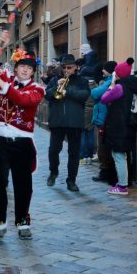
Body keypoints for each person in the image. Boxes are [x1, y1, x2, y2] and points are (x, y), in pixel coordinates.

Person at [0, 31, 45, 240]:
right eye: (22, 67)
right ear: (15, 68)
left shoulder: (37, 89)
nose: (25, 70)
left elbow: (21, 100)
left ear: (33, 72)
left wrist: (0, 81)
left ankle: (23, 222)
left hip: (23, 143)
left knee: (23, 185)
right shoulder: (6, 77)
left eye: (29, 68)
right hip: (0, 141)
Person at [45, 54, 90, 192]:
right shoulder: (55, 79)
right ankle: (53, 172)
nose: (66, 70)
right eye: (64, 67)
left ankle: (71, 180)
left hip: (74, 122)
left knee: (74, 153)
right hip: (57, 121)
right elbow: (47, 95)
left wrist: (68, 91)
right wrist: (55, 88)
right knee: (53, 150)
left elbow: (85, 95)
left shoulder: (82, 81)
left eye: (69, 67)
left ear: (76, 67)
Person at [100, 57, 137, 196]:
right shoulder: (133, 86)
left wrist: (112, 83)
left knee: (118, 155)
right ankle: (122, 183)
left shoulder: (120, 87)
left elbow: (104, 98)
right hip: (128, 126)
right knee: (122, 155)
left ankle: (122, 186)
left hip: (119, 127)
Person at [91, 61, 118, 185]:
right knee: (102, 149)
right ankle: (105, 172)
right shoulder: (108, 81)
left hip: (104, 120)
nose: (102, 71)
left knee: (103, 149)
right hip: (102, 119)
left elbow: (95, 93)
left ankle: (105, 173)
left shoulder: (109, 82)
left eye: (104, 69)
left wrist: (97, 88)